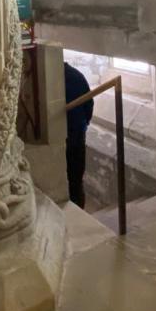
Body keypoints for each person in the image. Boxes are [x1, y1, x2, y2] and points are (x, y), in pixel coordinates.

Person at [64, 61, 94, 209]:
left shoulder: (53, 77)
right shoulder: (77, 76)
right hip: (77, 134)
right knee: (76, 180)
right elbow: (89, 105)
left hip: (68, 136)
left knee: (69, 180)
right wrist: (84, 125)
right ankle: (78, 211)